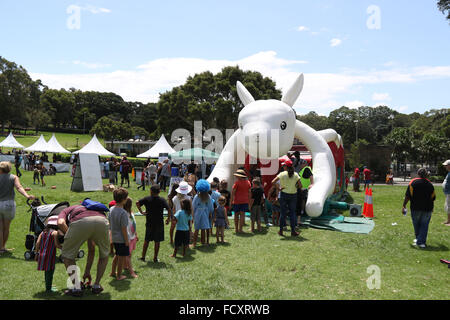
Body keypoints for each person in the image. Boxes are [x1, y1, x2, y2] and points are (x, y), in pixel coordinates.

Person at [57, 203, 110, 296]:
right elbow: (91, 249)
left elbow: (61, 223)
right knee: (104, 254)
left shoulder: (66, 210)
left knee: (67, 256)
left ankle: (77, 288)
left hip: (80, 222)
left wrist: (70, 234)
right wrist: (87, 272)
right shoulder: (95, 209)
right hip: (102, 221)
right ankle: (96, 285)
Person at [0, 161, 34, 254]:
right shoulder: (14, 177)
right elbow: (19, 187)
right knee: (6, 227)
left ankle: (0, 248)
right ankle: (3, 247)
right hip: (9, 204)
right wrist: (27, 195)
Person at [402, 168, 436, 248]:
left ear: (418, 174)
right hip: (427, 208)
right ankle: (420, 240)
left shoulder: (413, 183)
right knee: (424, 225)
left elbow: (408, 196)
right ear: (426, 174)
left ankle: (420, 241)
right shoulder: (430, 184)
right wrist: (432, 207)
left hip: (415, 208)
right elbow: (433, 197)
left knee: (416, 224)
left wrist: (404, 205)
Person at [136, 184, 171, 263]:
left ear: (151, 191)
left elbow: (137, 202)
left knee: (146, 240)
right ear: (159, 192)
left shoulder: (147, 199)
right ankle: (155, 258)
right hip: (159, 223)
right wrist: (168, 219)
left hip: (149, 223)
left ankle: (143, 257)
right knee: (157, 241)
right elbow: (169, 209)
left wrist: (141, 211)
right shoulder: (162, 200)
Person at [271, 160, 301, 237]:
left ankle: (281, 231)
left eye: (284, 165)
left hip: (284, 195)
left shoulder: (282, 174)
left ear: (286, 167)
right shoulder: (296, 174)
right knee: (292, 214)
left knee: (283, 213)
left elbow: (273, 182)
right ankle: (293, 231)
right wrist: (295, 187)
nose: (283, 166)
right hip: (293, 195)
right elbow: (300, 186)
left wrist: (279, 188)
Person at [109, 188, 131, 281]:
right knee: (121, 257)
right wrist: (126, 241)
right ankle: (119, 275)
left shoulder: (111, 209)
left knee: (117, 255)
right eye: (126, 198)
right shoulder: (123, 213)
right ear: (123, 200)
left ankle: (113, 272)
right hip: (122, 239)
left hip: (114, 237)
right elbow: (124, 229)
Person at [35, 217, 62, 292]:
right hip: (50, 255)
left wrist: (36, 253)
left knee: (47, 272)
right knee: (50, 272)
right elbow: (56, 245)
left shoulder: (43, 232)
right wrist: (63, 248)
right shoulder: (54, 232)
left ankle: (48, 287)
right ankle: (48, 289)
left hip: (41, 254)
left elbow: (37, 243)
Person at [191, 180, 214, 247]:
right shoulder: (208, 196)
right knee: (203, 228)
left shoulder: (196, 196)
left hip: (197, 213)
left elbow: (193, 206)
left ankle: (194, 243)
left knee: (197, 228)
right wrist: (210, 212)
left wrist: (193, 214)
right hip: (205, 213)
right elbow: (211, 206)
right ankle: (203, 241)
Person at [230, 169, 251, 233]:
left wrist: (231, 201)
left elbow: (233, 192)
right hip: (245, 201)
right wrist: (249, 202)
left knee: (236, 215)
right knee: (242, 215)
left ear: (239, 176)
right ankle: (240, 229)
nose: (236, 177)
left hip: (237, 201)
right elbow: (249, 193)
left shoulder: (237, 183)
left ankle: (236, 229)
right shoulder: (248, 182)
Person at [123, 198, 138, 277]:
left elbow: (133, 224)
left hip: (132, 236)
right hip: (128, 237)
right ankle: (131, 272)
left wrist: (136, 234)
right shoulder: (124, 214)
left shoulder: (131, 213)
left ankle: (125, 266)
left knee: (129, 253)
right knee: (128, 255)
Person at [442, 160, 450, 226]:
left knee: (449, 207)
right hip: (447, 192)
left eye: (446, 165)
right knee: (447, 206)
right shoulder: (449, 173)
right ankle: (448, 220)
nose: (445, 167)